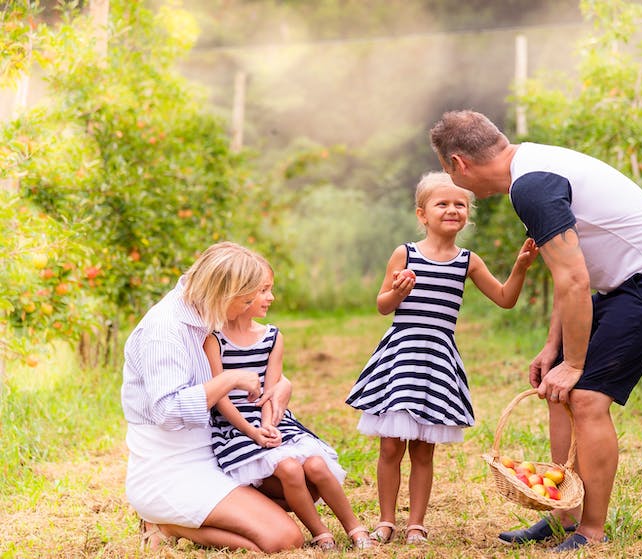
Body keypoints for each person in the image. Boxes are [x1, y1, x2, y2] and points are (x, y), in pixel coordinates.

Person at [429, 110, 642, 552]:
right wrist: (554, 349)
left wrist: (576, 363)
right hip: (628, 281)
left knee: (586, 396)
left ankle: (591, 530)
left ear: (459, 163)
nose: (453, 179)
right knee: (556, 387)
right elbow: (567, 273)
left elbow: (576, 279)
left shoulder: (532, 185)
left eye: (448, 171)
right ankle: (564, 515)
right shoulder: (532, 169)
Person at [346, 171, 538, 545]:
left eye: (460, 205)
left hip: (436, 359)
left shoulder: (468, 261)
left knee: (423, 448)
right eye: (443, 203)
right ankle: (386, 520)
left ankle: (416, 523)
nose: (452, 210)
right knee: (390, 445)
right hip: (401, 358)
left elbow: (505, 299)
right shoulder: (405, 253)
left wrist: (519, 269)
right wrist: (398, 292)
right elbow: (383, 306)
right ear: (422, 214)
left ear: (468, 213)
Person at [121, 241, 304, 552]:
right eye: (246, 301)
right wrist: (228, 380)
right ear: (223, 293)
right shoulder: (163, 330)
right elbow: (167, 410)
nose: (249, 309)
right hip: (171, 468)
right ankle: (166, 523)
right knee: (285, 539)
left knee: (304, 484)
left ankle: (208, 511)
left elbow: (249, 361)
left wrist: (281, 383)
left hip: (215, 451)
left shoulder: (206, 313)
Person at [205, 256, 375, 551]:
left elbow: (272, 391)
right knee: (289, 468)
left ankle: (355, 527)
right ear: (238, 291)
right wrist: (253, 431)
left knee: (317, 465)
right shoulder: (215, 339)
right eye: (263, 290)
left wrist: (269, 424)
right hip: (236, 429)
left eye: (271, 289)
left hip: (271, 419)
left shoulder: (272, 336)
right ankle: (320, 532)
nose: (270, 297)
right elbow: (220, 398)